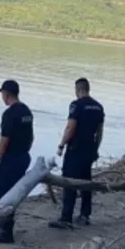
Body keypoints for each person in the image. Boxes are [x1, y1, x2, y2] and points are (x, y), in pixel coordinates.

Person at [49, 78, 105, 229]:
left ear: (78, 90)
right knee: (86, 182)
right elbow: (100, 132)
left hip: (75, 149)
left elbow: (70, 128)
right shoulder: (99, 107)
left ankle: (66, 217)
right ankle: (85, 215)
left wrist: (61, 145)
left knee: (69, 182)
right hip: (89, 150)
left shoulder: (76, 105)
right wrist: (96, 149)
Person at [0, 80, 34, 243]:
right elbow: (30, 136)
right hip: (23, 156)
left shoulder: (9, 114)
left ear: (6, 94)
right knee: (14, 193)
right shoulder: (27, 111)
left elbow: (4, 140)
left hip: (11, 158)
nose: (2, 97)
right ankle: (5, 229)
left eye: (2, 94)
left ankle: (4, 231)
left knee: (3, 194)